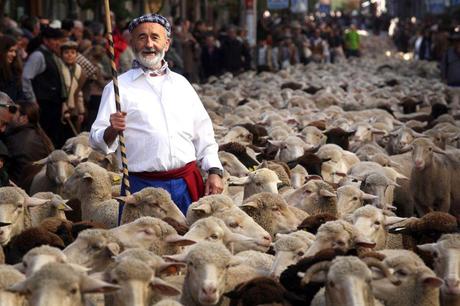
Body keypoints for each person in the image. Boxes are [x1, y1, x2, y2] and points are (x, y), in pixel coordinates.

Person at [89, 13, 224, 221]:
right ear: (132, 43)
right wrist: (112, 129)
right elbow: (96, 140)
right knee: (144, 251)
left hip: (185, 185)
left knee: (189, 248)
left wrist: (214, 170)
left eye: (155, 37)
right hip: (141, 190)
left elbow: (204, 133)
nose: (149, 44)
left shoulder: (182, 84)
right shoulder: (118, 87)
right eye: (142, 37)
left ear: (167, 43)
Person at [22, 26, 67, 147]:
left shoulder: (52, 55)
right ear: (46, 40)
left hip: (53, 103)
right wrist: (32, 100)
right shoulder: (38, 55)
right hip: (43, 103)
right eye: (54, 39)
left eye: (59, 39)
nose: (57, 43)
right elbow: (26, 77)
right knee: (45, 135)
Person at [3, 101, 54, 185]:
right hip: (37, 186)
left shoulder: (14, 140)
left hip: (19, 187)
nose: (10, 115)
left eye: (14, 111)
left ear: (24, 118)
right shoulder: (41, 137)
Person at [60, 40, 87, 135]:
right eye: (66, 53)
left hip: (73, 109)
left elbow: (78, 92)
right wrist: (64, 110)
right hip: (60, 109)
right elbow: (61, 92)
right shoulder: (59, 69)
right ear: (61, 54)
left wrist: (81, 111)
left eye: (72, 52)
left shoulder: (79, 71)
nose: (69, 55)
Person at [0, 35, 25, 101]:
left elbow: (20, 95)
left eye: (15, 51)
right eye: (11, 51)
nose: (14, 54)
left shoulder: (15, 70)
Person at [441, 28, 460, 106]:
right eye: (455, 41)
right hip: (451, 84)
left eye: (459, 41)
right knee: (452, 105)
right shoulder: (448, 53)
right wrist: (444, 78)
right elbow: (444, 66)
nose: (457, 43)